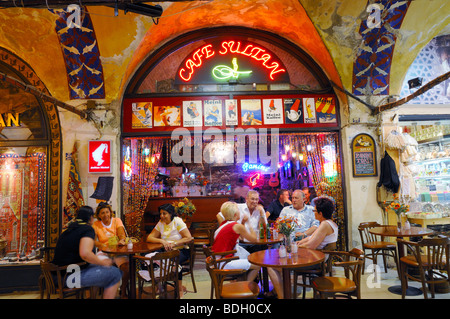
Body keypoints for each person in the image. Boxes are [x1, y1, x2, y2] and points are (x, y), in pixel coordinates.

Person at [212, 201, 283, 298]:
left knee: (252, 262)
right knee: (257, 265)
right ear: (235, 214)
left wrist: (243, 223)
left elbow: (239, 238)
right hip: (224, 262)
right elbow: (254, 239)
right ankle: (244, 287)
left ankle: (242, 284)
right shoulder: (236, 226)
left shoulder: (224, 224)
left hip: (218, 260)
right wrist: (248, 222)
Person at [51, 206, 122, 299]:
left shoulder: (68, 230)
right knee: (115, 273)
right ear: (91, 218)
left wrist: (100, 263)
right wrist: (103, 262)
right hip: (68, 278)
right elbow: (85, 254)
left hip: (56, 276)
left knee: (101, 268)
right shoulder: (87, 229)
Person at [146, 203, 193, 296]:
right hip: (165, 250)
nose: (162, 216)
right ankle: (158, 285)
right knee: (150, 259)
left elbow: (189, 238)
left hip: (180, 250)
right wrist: (162, 241)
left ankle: (179, 289)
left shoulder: (177, 221)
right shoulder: (161, 222)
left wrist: (174, 243)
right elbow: (149, 237)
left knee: (174, 262)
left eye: (164, 213)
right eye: (161, 214)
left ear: (171, 213)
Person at [92, 202, 129, 299]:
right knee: (96, 267)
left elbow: (121, 234)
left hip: (117, 251)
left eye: (107, 212)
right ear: (99, 215)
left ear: (110, 212)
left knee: (126, 267)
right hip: (104, 251)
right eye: (102, 213)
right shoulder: (96, 224)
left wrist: (121, 239)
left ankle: (123, 290)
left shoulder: (117, 220)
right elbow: (93, 241)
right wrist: (102, 245)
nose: (105, 215)